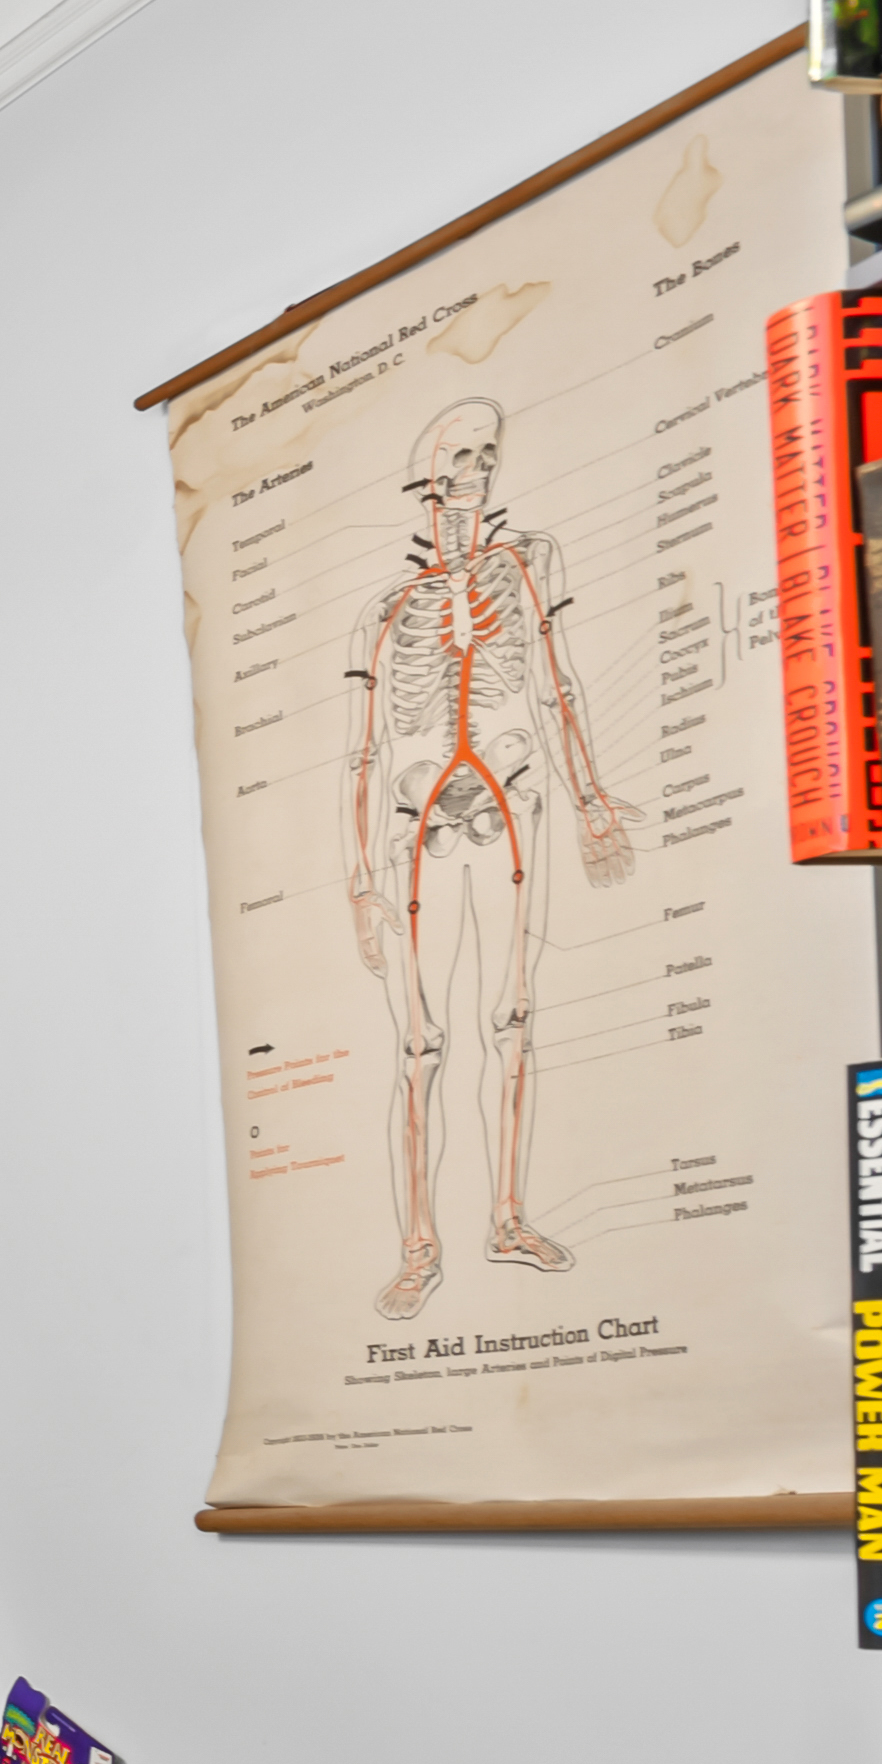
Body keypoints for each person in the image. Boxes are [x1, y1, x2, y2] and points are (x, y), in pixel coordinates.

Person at [344, 399, 638, 1319]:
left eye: (486, 453)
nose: (474, 468)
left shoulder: (526, 562)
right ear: (422, 474)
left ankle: (506, 1217)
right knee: (421, 1041)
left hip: (511, 798)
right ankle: (419, 1245)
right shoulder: (386, 608)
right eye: (456, 453)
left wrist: (591, 799)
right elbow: (358, 748)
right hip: (418, 820)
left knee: (512, 1014)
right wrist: (359, 879)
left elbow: (556, 682)